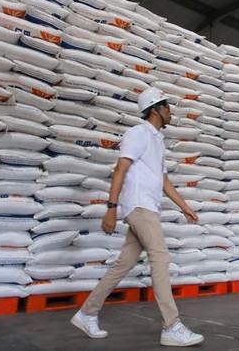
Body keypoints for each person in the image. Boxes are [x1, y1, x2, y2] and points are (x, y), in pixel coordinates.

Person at [71, 87, 204, 347]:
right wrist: (111, 207)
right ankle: (171, 325)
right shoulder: (139, 133)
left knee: (123, 263)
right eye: (166, 106)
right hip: (139, 207)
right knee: (160, 256)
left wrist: (184, 207)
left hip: (148, 208)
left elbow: (163, 180)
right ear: (155, 110)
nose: (170, 111)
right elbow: (120, 169)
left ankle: (87, 312)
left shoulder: (157, 140)